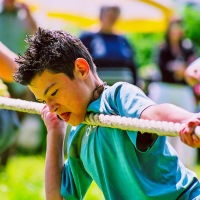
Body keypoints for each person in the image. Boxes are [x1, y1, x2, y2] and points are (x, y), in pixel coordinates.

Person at [12, 27, 200, 199]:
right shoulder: (79, 134)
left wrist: (187, 120)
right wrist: (55, 131)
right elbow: (57, 198)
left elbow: (155, 114)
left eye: (53, 93)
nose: (51, 107)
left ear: (81, 69)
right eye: (44, 101)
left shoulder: (117, 98)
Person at [148, 17, 198, 168]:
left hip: (183, 90)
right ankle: (160, 162)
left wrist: (182, 72)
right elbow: (161, 68)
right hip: (164, 89)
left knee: (187, 124)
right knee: (162, 126)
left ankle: (185, 165)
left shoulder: (188, 47)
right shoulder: (162, 47)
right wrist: (178, 71)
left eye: (179, 26)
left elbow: (192, 69)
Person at [79, 5, 138, 86]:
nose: (113, 17)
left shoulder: (123, 39)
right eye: (110, 13)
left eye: (116, 13)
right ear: (101, 15)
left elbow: (133, 66)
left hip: (124, 90)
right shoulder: (87, 37)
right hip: (98, 91)